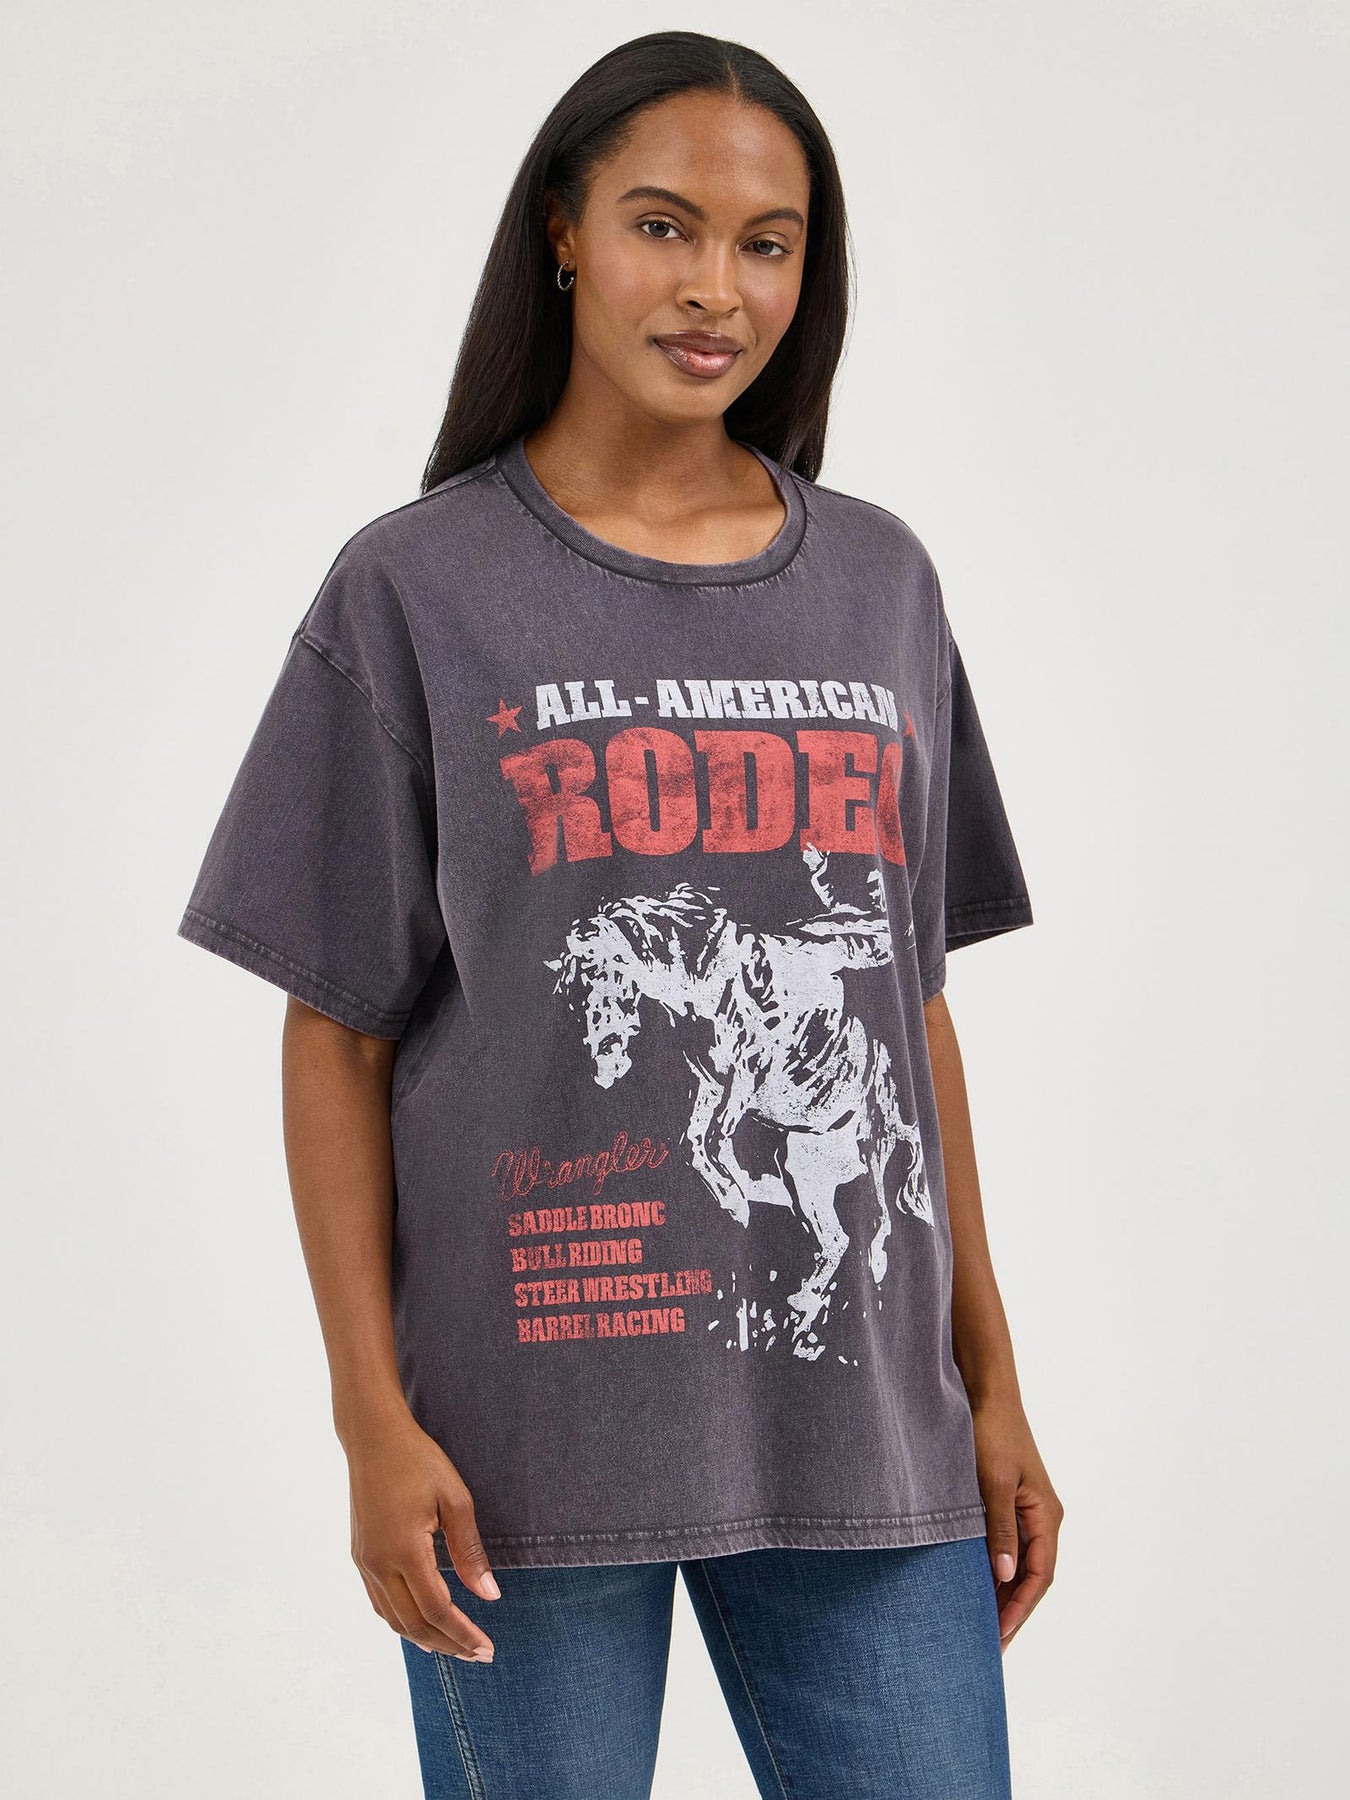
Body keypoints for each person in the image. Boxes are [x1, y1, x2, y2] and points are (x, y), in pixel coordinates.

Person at [177, 29, 1063, 1800]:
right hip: (519, 1452)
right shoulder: (415, 587)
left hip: (862, 1425)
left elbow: (910, 1015)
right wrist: (369, 1421)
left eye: (766, 243)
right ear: (565, 234)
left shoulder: (879, 580)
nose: (716, 288)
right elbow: (336, 1032)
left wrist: (994, 1381)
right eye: (665, 226)